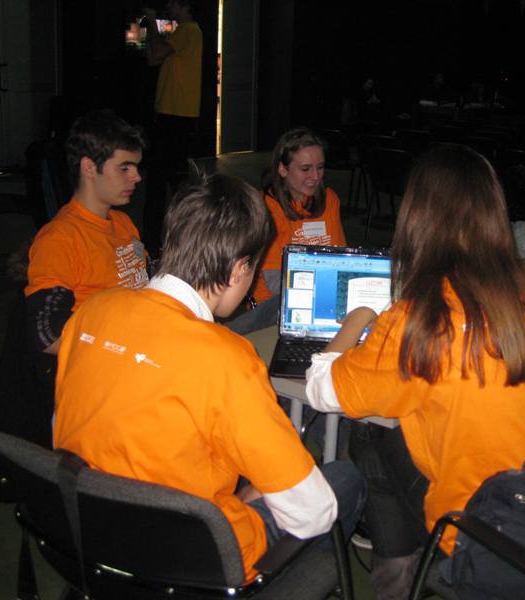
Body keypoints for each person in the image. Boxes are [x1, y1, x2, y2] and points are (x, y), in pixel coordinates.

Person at [52, 172, 365, 588]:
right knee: (343, 480)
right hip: (194, 557)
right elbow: (312, 514)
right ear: (238, 270)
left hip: (92, 536)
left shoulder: (91, 313)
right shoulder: (226, 358)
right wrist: (248, 498)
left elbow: (66, 428)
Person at [306, 144, 525, 599]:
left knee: (370, 433)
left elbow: (322, 390)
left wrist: (357, 321)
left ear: (417, 219)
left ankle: (399, 575)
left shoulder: (417, 321)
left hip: (482, 531)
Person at [25, 109, 149, 357]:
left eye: (135, 167)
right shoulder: (60, 239)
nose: (136, 177)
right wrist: (123, 348)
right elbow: (48, 336)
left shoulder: (124, 224)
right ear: (89, 168)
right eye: (125, 168)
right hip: (108, 361)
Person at [225, 127, 347, 334]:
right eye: (305, 169)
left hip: (321, 300)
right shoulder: (266, 207)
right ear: (283, 169)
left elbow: (341, 259)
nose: (315, 176)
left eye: (320, 167)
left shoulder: (330, 200)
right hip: (274, 307)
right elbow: (275, 283)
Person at [142, 0, 202, 256]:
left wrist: (152, 23)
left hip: (176, 114)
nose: (169, 9)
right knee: (171, 180)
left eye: (174, 5)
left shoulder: (188, 29)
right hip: (174, 113)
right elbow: (152, 59)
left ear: (185, 6)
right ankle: (178, 239)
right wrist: (152, 30)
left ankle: (153, 242)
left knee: (159, 181)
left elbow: (156, 54)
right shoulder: (182, 32)